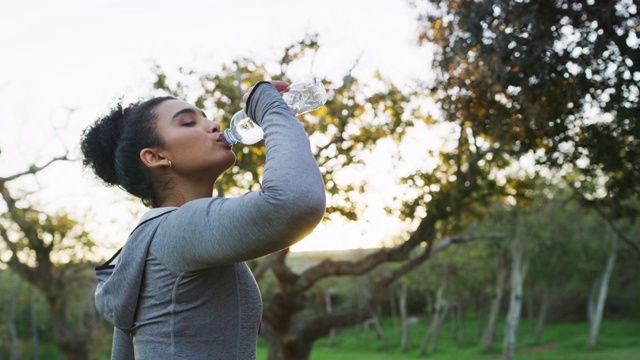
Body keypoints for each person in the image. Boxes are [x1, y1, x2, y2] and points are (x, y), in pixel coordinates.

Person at [80, 80, 326, 359]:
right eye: (188, 122)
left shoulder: (156, 238)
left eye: (206, 117)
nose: (213, 125)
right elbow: (296, 201)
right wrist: (269, 107)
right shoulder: (176, 231)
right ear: (156, 157)